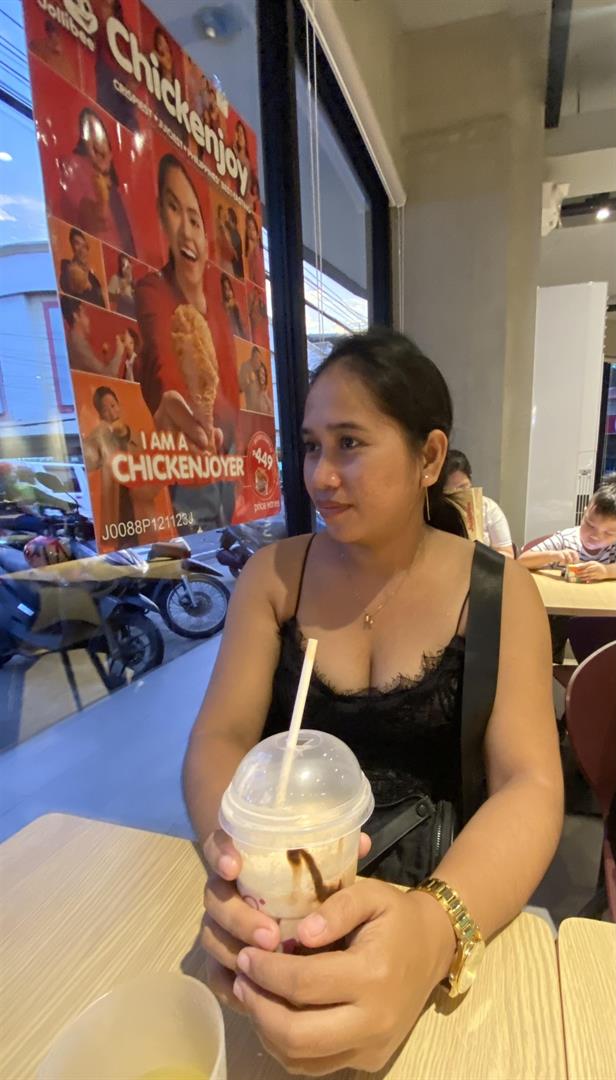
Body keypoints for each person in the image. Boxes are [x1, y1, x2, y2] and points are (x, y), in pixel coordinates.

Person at [183, 329, 563, 1075]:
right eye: (310, 446)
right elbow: (219, 737)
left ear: (429, 458)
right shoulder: (274, 578)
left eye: (349, 443)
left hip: (444, 902)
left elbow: (530, 784)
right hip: (282, 907)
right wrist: (233, 855)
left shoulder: (499, 594)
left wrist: (435, 928)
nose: (321, 476)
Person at [135, 153, 240, 531]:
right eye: (173, 209)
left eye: (194, 219)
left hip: (229, 462)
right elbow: (160, 360)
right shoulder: (153, 290)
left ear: (206, 237)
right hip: (188, 468)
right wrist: (168, 399)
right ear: (161, 217)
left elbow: (230, 390)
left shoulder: (220, 307)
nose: (186, 230)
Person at [59, 107, 135, 255]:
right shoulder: (75, 168)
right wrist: (102, 199)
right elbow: (89, 221)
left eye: (100, 136)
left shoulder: (119, 190)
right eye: (89, 136)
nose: (97, 145)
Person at [83, 385, 156, 535]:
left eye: (113, 405)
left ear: (119, 405)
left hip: (142, 512)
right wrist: (100, 432)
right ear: (100, 415)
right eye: (105, 410)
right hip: (117, 515)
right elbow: (89, 462)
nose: (111, 413)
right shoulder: (101, 439)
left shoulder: (137, 436)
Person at [518, 475, 616, 580]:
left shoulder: (613, 546)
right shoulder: (565, 540)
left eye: (609, 533)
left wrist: (607, 571)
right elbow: (521, 561)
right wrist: (553, 555)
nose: (596, 536)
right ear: (583, 514)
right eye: (590, 525)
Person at [442, 449, 514, 557]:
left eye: (462, 487)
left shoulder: (488, 508)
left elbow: (507, 554)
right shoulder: (431, 511)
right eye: (450, 491)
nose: (458, 494)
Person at [61, 296, 124, 377]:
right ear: (76, 316)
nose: (88, 319)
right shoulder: (78, 345)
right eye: (84, 314)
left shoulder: (75, 341)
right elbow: (107, 375)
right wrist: (119, 351)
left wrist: (106, 357)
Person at [59, 228, 105, 308]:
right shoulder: (67, 273)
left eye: (84, 245)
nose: (82, 249)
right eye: (77, 244)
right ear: (72, 246)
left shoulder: (93, 278)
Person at [29, 17, 78, 82]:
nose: (55, 36)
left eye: (58, 34)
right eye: (52, 32)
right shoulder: (37, 46)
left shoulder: (66, 63)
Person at [107, 252, 136, 318]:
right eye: (123, 265)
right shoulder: (115, 278)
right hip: (123, 314)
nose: (126, 268)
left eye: (128, 265)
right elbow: (110, 298)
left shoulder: (134, 282)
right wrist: (123, 287)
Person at [238, 346, 265, 412]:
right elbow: (240, 388)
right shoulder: (245, 366)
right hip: (251, 410)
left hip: (261, 409)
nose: (259, 362)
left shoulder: (260, 368)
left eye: (260, 359)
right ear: (252, 357)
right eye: (257, 358)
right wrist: (249, 380)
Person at [220, 273, 247, 338]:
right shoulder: (222, 307)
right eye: (226, 289)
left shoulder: (235, 305)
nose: (229, 292)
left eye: (229, 289)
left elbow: (241, 325)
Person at [244, 211, 263, 285]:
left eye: (253, 229)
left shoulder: (260, 250)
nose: (251, 232)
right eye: (249, 228)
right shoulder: (247, 249)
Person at [226, 208, 244, 280]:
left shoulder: (235, 234)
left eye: (228, 217)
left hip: (237, 270)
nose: (226, 219)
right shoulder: (232, 232)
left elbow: (236, 254)